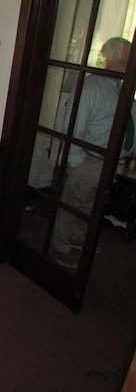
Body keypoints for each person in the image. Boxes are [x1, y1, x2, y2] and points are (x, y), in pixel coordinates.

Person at [50, 37, 134, 268]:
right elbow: (73, 127)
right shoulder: (92, 87)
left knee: (89, 203)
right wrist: (76, 164)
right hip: (89, 160)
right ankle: (60, 245)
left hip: (110, 160)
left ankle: (77, 237)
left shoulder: (121, 87)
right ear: (117, 60)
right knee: (72, 203)